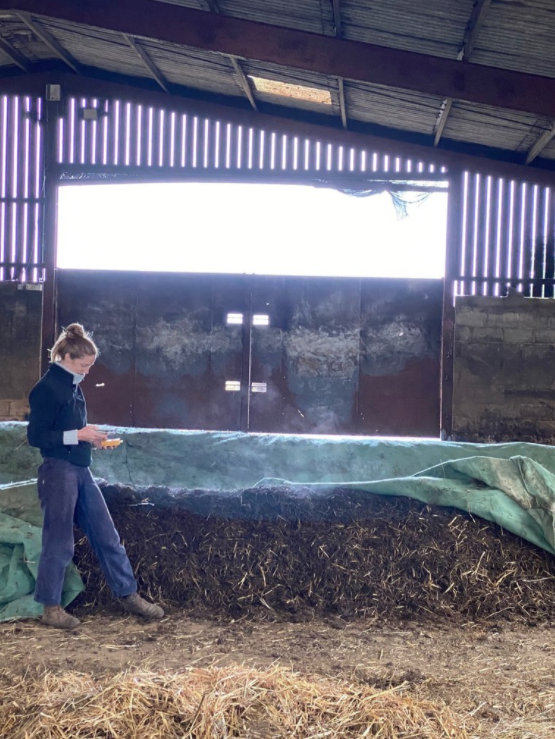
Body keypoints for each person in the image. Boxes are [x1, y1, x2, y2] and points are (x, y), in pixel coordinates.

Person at [27, 322, 164, 629]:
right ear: (64, 356)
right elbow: (36, 436)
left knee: (107, 535)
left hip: (80, 469)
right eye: (83, 364)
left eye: (90, 365)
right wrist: (78, 434)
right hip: (57, 470)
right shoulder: (46, 389)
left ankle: (128, 594)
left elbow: (72, 432)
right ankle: (50, 609)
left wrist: (92, 439)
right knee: (59, 541)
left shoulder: (73, 387)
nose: (87, 371)